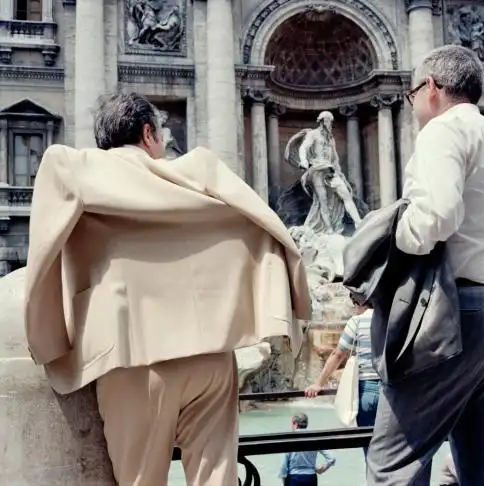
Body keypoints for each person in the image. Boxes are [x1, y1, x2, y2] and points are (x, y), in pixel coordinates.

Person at [24, 92, 311, 486]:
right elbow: (262, 224)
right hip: (212, 357)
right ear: (148, 134)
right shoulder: (198, 173)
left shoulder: (75, 170)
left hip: (133, 358)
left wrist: (49, 340)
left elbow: (43, 256)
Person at [365, 45, 484, 485]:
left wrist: (390, 237)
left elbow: (436, 216)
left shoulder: (442, 130)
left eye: (412, 93)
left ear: (432, 87)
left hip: (455, 315)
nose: (412, 102)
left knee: (394, 465)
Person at [305, 294, 380, 456]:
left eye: (354, 304)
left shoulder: (357, 321)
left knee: (370, 447)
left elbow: (338, 355)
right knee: (392, 447)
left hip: (367, 389)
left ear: (360, 302)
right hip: (391, 390)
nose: (354, 309)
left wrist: (318, 383)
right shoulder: (390, 318)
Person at [278, 413, 336, 486]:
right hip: (311, 478)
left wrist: (284, 482)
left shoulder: (290, 438)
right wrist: (322, 469)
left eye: (292, 424)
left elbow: (284, 467)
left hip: (294, 478)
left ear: (295, 424)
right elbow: (331, 458)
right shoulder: (314, 438)